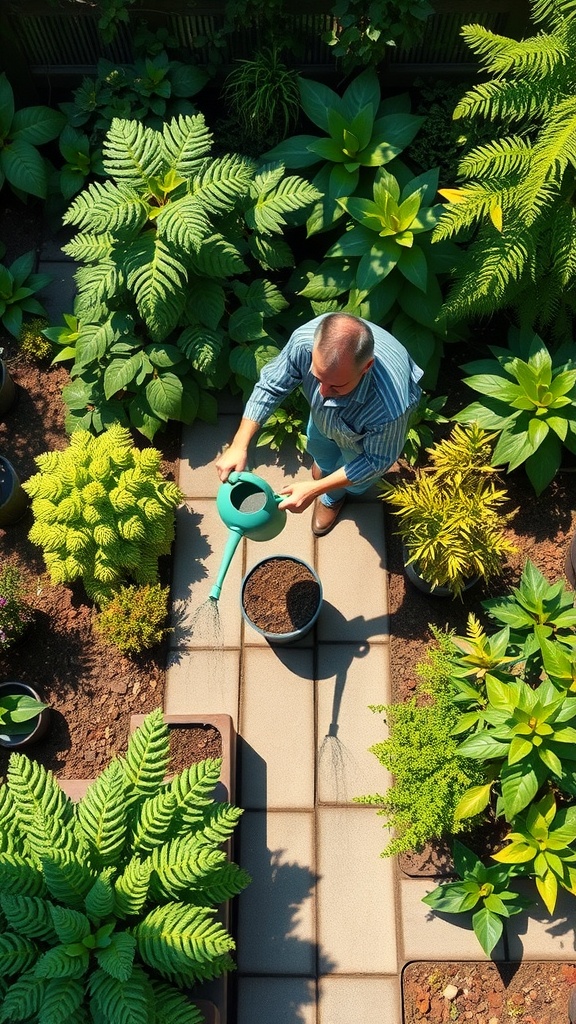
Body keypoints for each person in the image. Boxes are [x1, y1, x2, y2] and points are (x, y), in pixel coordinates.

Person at [215, 312, 423, 536]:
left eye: (336, 386)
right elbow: (271, 386)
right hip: (326, 421)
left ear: (366, 367)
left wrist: (315, 490)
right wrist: (239, 444)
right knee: (317, 441)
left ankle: (334, 497)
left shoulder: (390, 408)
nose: (323, 393)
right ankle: (326, 466)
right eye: (317, 377)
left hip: (367, 432)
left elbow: (375, 461)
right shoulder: (306, 342)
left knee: (355, 472)